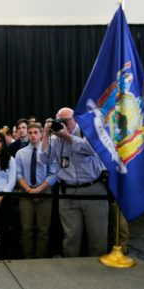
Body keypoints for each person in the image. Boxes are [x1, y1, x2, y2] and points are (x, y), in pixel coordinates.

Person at [45, 108, 109, 258]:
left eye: (66, 120)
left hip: (93, 189)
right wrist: (46, 136)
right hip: (68, 192)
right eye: (59, 121)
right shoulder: (55, 139)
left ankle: (99, 273)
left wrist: (67, 136)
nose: (63, 124)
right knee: (71, 237)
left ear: (75, 119)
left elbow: (91, 149)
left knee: (97, 236)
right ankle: (71, 272)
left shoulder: (87, 131)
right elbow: (45, 160)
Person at [15, 122, 55, 259]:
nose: (32, 135)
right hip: (26, 194)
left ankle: (41, 259)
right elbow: (18, 174)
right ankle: (28, 259)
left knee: (43, 230)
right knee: (26, 230)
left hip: (44, 193)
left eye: (35, 133)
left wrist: (38, 190)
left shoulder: (49, 151)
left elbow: (53, 174)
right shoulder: (20, 153)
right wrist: (28, 190)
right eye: (30, 133)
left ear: (42, 133)